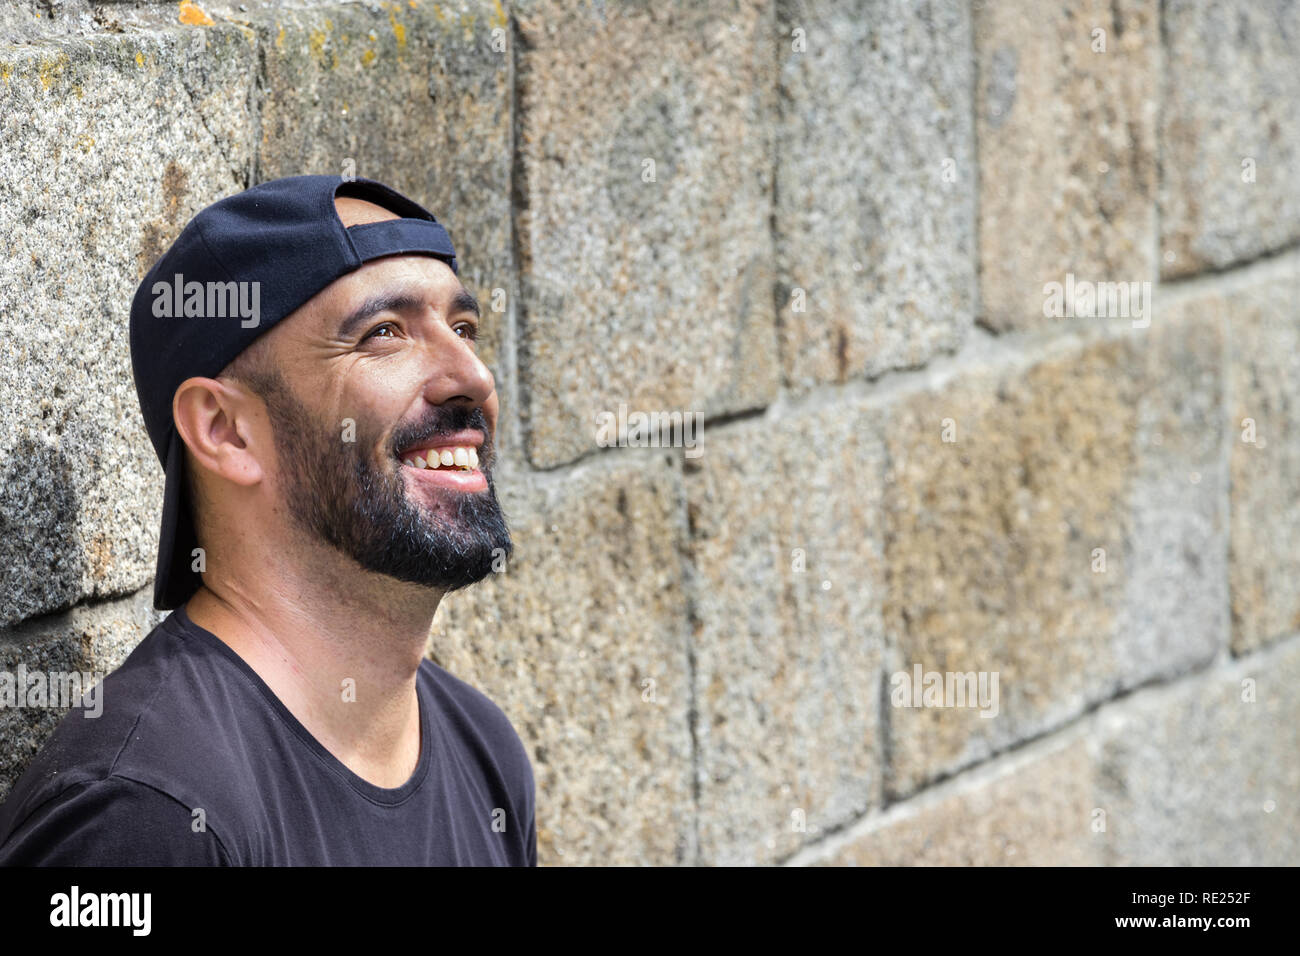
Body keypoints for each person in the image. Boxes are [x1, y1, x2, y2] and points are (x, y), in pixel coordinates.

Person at [0, 175, 536, 865]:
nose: (473, 376)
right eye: (384, 333)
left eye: (463, 328)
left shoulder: (483, 749)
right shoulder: (145, 816)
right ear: (226, 430)